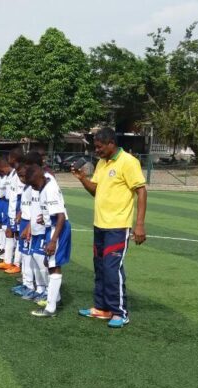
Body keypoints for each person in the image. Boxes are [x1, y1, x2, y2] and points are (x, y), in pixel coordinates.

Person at [72, 127, 147, 328]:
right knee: (99, 267)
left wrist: (139, 224)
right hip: (99, 225)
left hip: (118, 226)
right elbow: (96, 190)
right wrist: (82, 179)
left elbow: (141, 191)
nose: (96, 151)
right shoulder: (102, 163)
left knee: (111, 268)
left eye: (99, 147)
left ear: (111, 143)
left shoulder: (129, 162)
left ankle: (120, 312)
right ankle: (102, 308)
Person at [25, 164, 71, 318]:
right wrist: (44, 218)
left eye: (33, 185)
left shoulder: (49, 189)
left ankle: (50, 308)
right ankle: (55, 299)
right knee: (48, 263)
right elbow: (53, 214)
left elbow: (61, 216)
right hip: (50, 227)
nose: (33, 189)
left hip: (56, 230)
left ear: (38, 178)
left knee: (53, 266)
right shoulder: (44, 187)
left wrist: (53, 240)